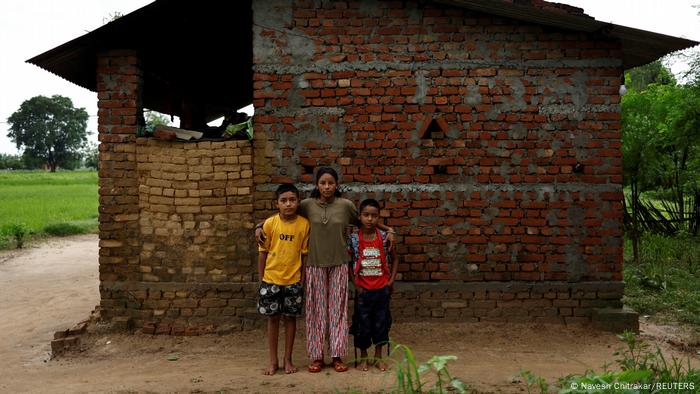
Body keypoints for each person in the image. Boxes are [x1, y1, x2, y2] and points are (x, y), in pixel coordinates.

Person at [256, 167, 395, 373]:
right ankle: (317, 356)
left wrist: (389, 230)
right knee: (315, 312)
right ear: (317, 185)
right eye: (323, 183)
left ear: (336, 185)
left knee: (338, 312)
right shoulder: (306, 205)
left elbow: (366, 221)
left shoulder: (345, 206)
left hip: (339, 264)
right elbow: (283, 212)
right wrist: (258, 226)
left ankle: (337, 356)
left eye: (331, 183)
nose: (327, 187)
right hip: (314, 265)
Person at [257, 183, 310, 375]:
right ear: (277, 204)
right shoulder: (270, 224)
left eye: (292, 200)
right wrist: (262, 279)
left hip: (293, 280)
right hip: (271, 280)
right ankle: (273, 361)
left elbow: (304, 255)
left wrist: (302, 279)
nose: (288, 204)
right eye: (284, 201)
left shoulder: (304, 224)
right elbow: (262, 253)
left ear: (298, 202)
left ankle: (288, 359)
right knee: (272, 320)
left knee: (290, 319)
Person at [348, 198, 398, 372]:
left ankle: (378, 357)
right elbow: (349, 263)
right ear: (360, 216)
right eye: (366, 215)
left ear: (379, 218)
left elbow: (395, 258)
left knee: (381, 323)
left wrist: (390, 281)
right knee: (363, 325)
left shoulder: (384, 238)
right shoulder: (354, 239)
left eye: (374, 216)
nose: (370, 219)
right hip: (363, 290)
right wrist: (356, 285)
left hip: (381, 289)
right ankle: (363, 357)